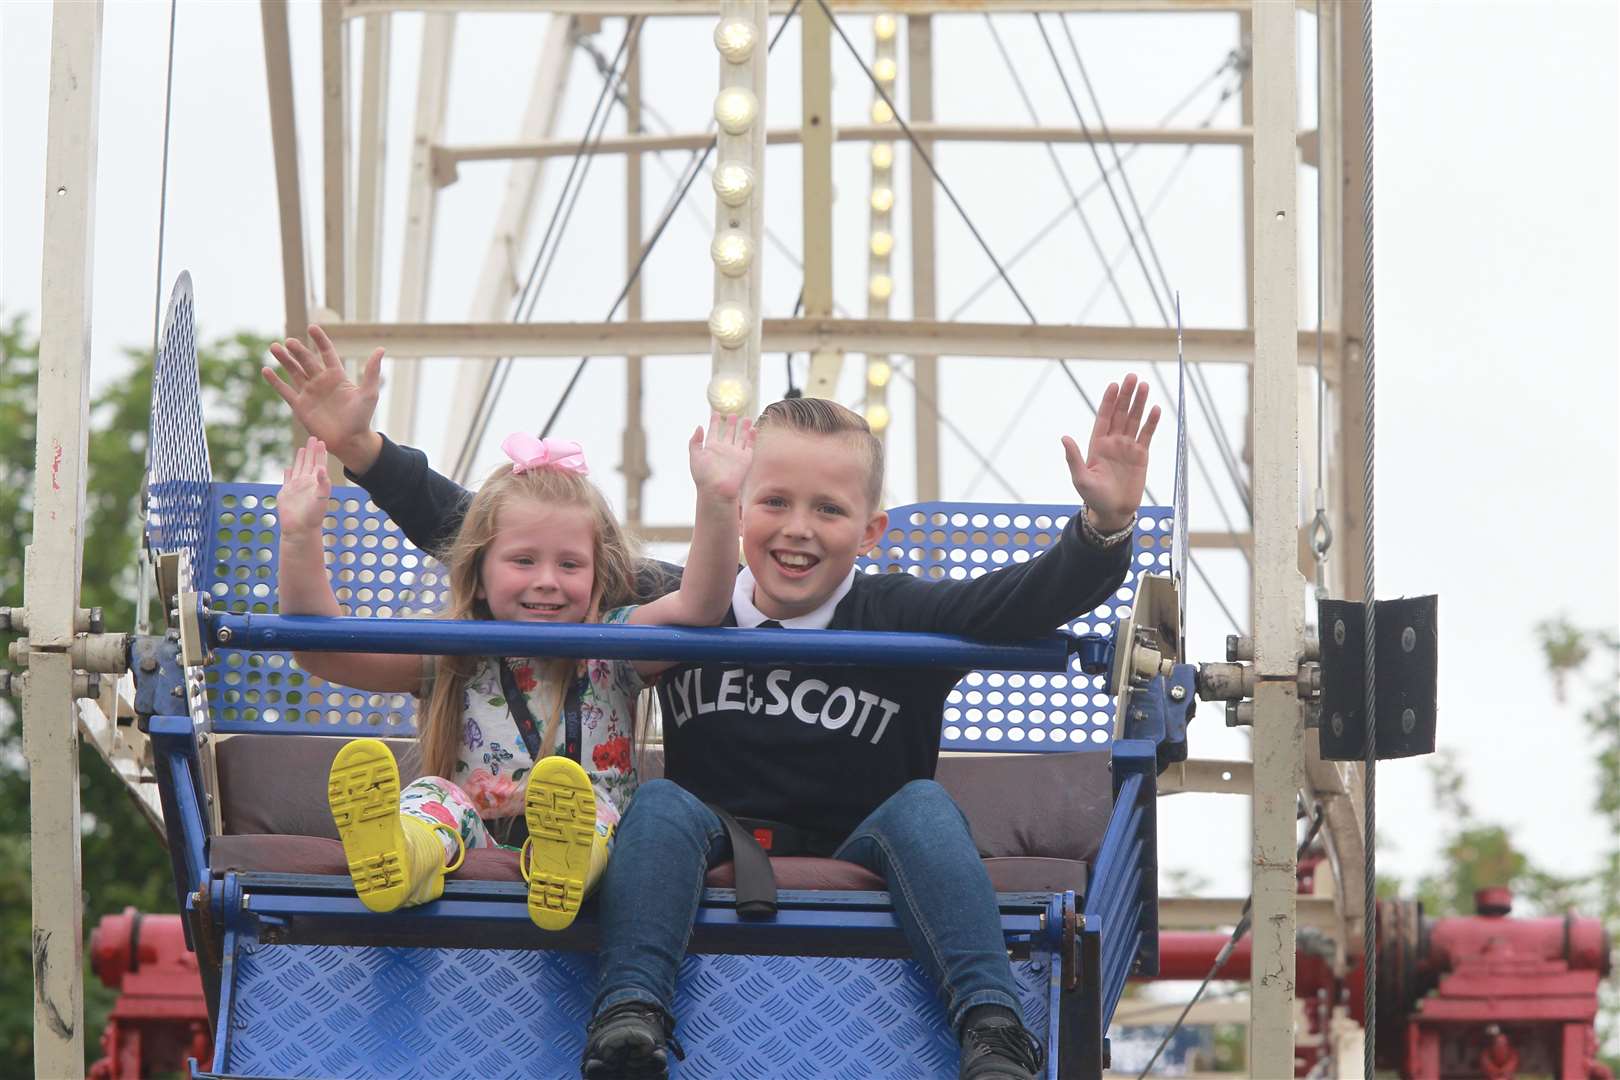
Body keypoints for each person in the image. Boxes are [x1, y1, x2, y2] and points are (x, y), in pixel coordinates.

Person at [263, 328, 1158, 1080]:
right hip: (712, 840)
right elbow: (504, 535)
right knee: (659, 802)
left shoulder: (899, 615)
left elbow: (1022, 600)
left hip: (862, 840)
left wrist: (1103, 530)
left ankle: (993, 1025)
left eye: (829, 510)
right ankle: (631, 1012)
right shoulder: (677, 600)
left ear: (871, 530)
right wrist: (364, 452)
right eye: (774, 502)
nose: (797, 529)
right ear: (737, 509)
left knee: (927, 806)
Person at [272, 408, 753, 932]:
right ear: (478, 575)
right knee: (434, 797)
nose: (547, 580)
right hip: (477, 838)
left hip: (597, 838)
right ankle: (404, 855)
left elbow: (701, 607)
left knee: (596, 815)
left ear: (597, 578)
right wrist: (300, 537)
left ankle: (569, 863)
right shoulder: (457, 651)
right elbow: (325, 652)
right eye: (523, 561)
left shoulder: (615, 644)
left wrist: (718, 501)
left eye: (569, 565)